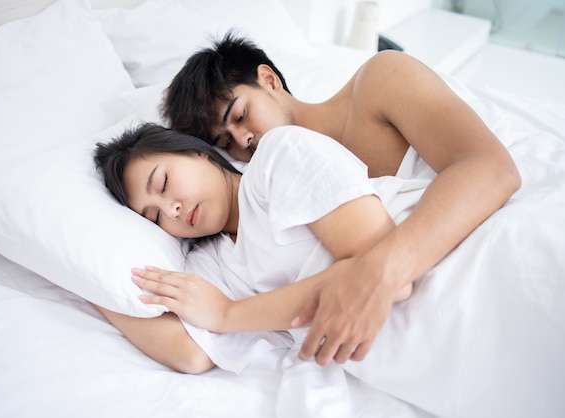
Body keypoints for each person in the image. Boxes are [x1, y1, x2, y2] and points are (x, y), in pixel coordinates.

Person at [158, 33, 521, 365]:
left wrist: (379, 272)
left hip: (501, 245)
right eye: (225, 144)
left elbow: (491, 167)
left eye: (239, 116)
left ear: (269, 80)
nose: (243, 141)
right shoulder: (268, 204)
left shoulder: (381, 79)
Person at [93, 122, 412, 374]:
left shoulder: (280, 155)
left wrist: (227, 315)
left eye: (162, 184)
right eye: (155, 216)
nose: (171, 210)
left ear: (195, 152)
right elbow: (191, 354)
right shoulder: (209, 264)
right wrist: (92, 287)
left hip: (445, 288)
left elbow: (382, 269)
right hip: (407, 367)